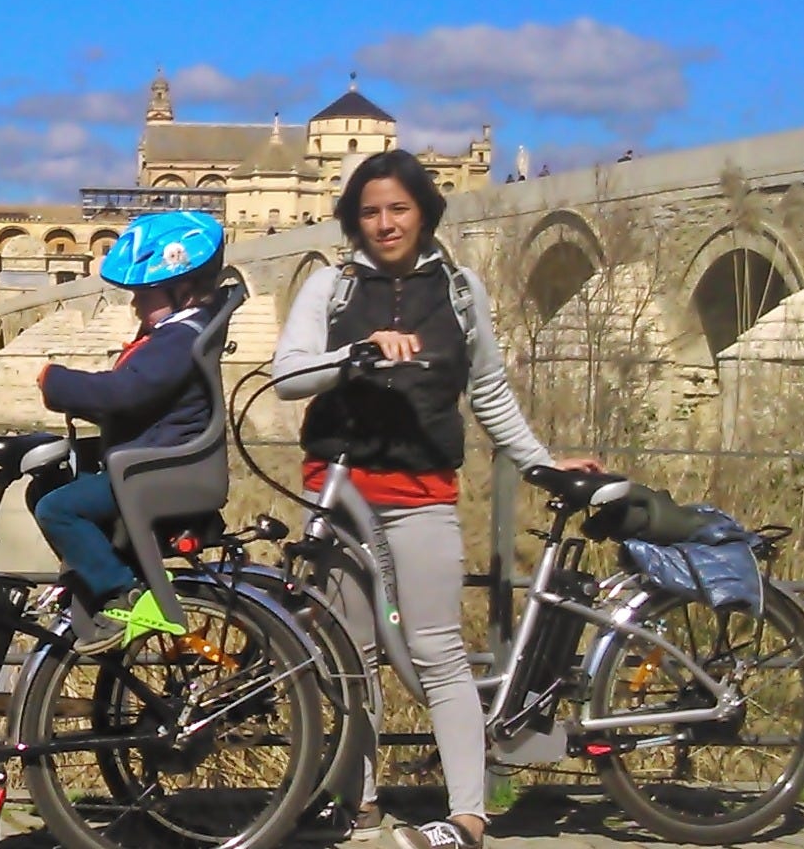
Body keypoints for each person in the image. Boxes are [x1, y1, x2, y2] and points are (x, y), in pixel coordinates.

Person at [272, 150, 604, 849]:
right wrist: (355, 352)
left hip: (422, 493)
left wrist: (539, 462)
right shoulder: (329, 288)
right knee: (349, 654)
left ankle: (468, 816)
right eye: (369, 211)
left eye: (398, 208)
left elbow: (487, 390)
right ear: (352, 220)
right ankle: (357, 803)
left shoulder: (459, 291)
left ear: (424, 211)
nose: (385, 223)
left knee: (437, 651)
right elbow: (289, 378)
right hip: (338, 493)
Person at [32, 211, 228, 656]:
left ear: (184, 287)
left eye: (144, 293)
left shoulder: (179, 340)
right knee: (49, 487)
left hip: (160, 471)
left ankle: (122, 595)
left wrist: (57, 382)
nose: (134, 304)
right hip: (150, 463)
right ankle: (88, 575)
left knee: (57, 509)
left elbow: (124, 393)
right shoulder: (182, 331)